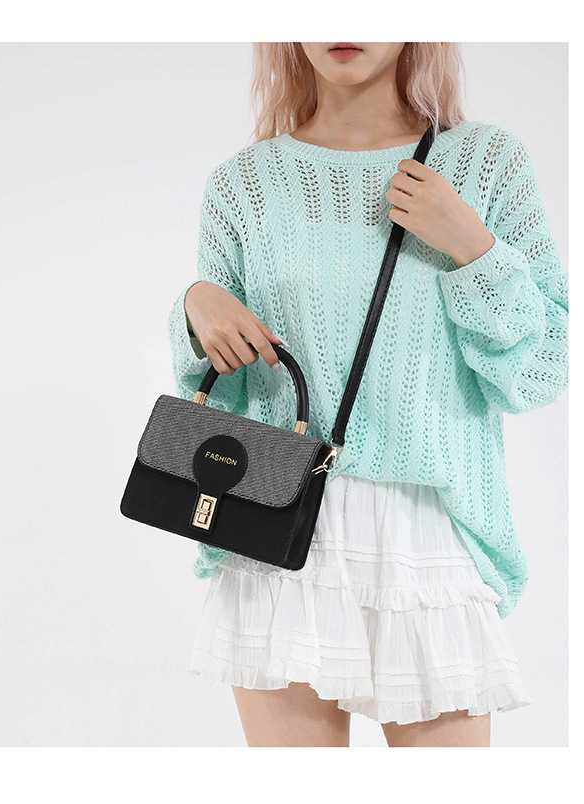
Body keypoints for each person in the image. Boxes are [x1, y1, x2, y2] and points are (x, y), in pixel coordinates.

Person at [167, 42, 568, 747]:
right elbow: (220, 399)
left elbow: (542, 370)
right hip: (275, 527)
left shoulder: (485, 163)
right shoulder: (244, 184)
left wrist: (472, 247)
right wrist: (195, 309)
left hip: (428, 534)